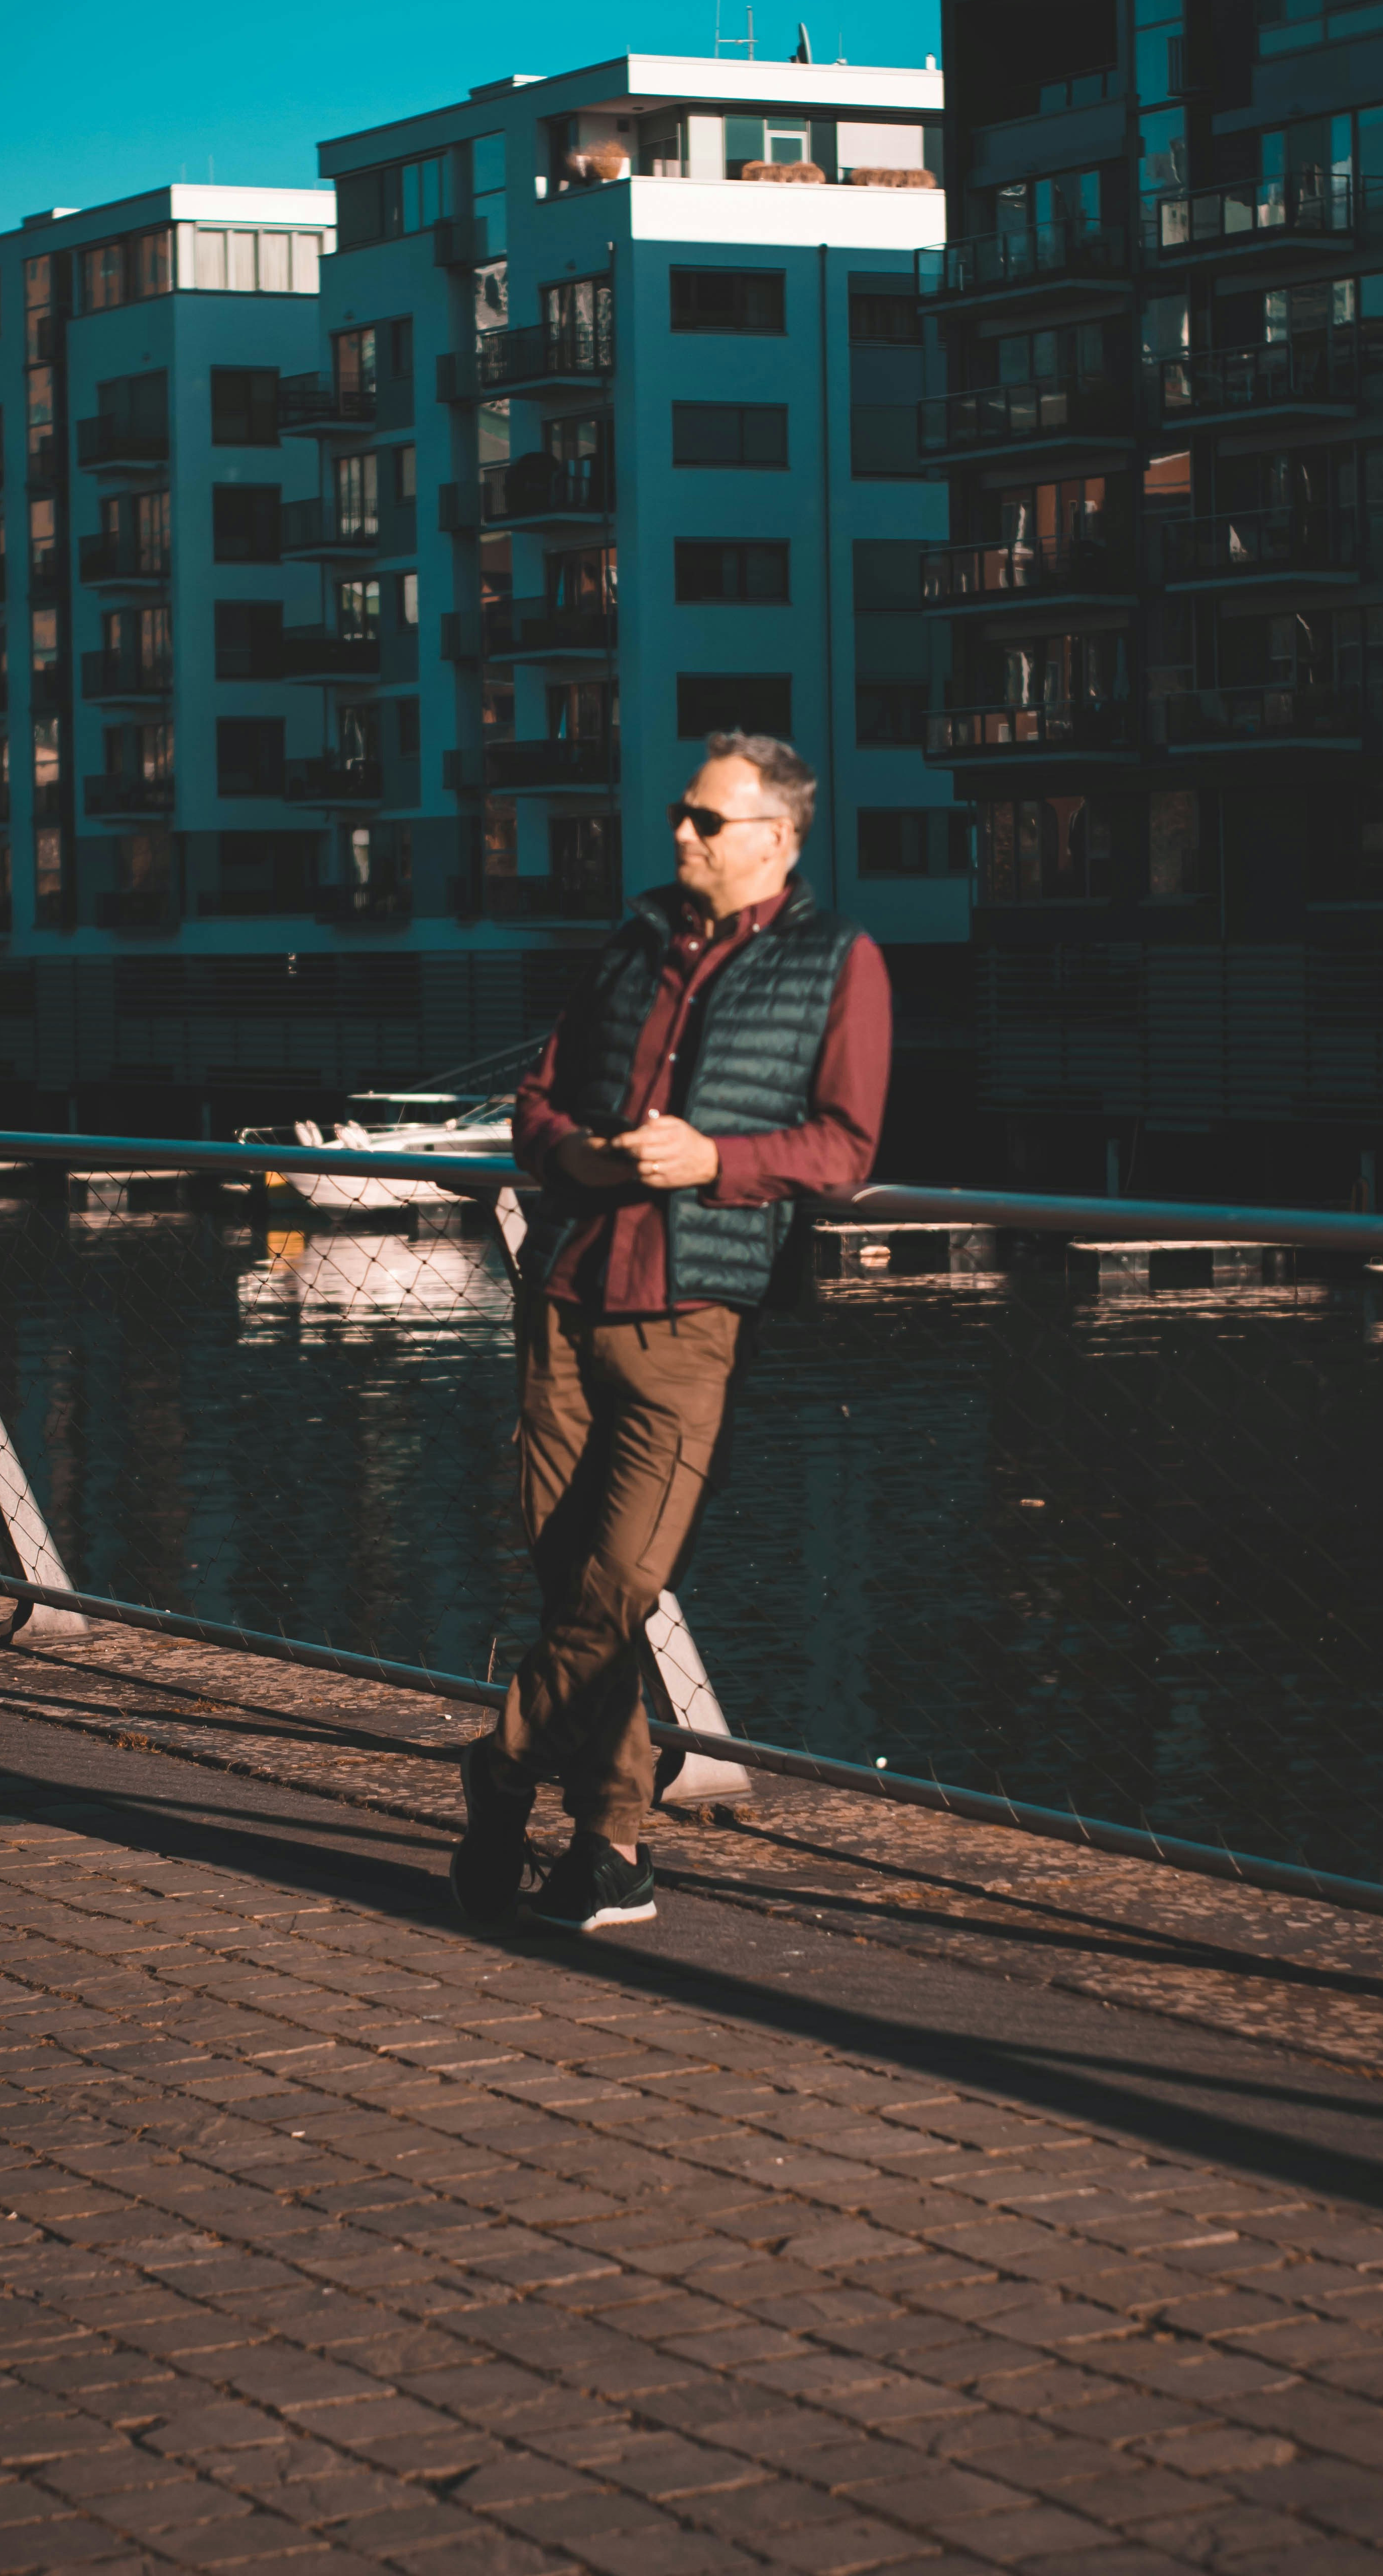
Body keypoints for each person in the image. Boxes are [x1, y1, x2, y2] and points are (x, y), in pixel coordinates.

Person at [451, 730, 892, 1936]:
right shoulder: (635, 936)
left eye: (706, 820)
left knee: (618, 1585)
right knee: (572, 1592)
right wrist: (580, 1153)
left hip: (688, 1316)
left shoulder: (835, 961)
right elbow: (535, 1103)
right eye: (681, 814)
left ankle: (494, 1771)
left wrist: (717, 1159)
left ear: (777, 838)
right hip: (562, 1297)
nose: (681, 835)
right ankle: (610, 1850)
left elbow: (846, 1150)